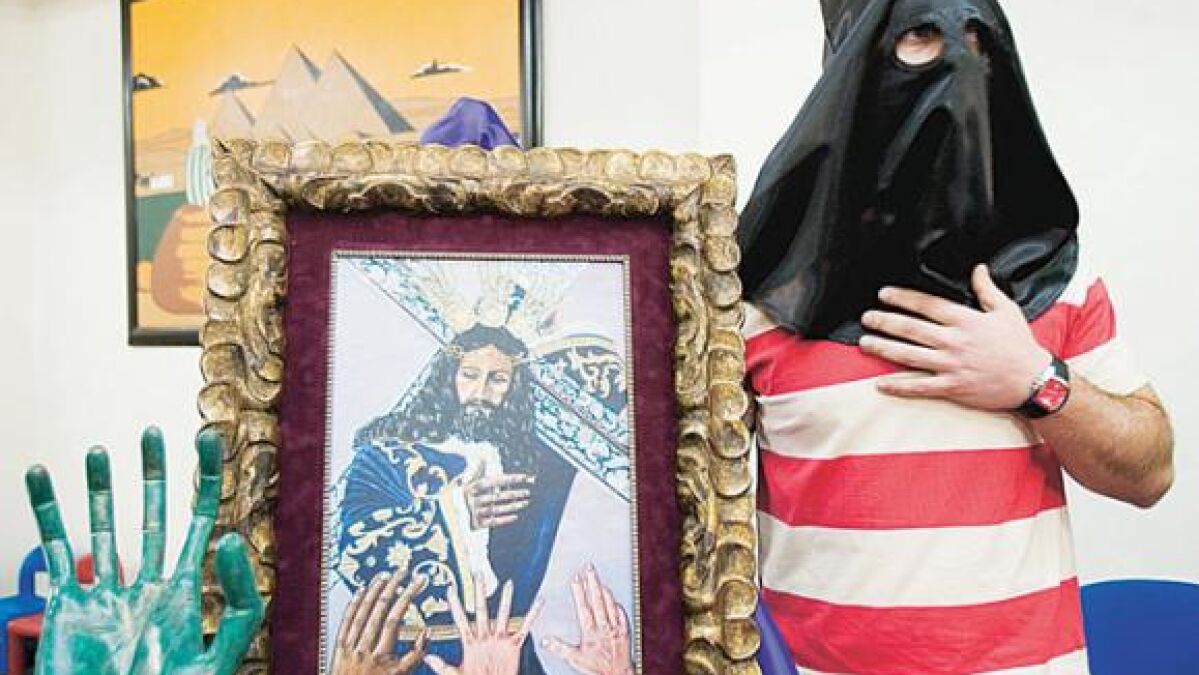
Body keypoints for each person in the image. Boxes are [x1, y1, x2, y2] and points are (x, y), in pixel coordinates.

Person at [737, 0, 1174, 673]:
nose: (958, 58)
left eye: (977, 35)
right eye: (920, 32)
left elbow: (1150, 473)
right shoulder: (761, 293)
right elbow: (680, 501)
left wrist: (1035, 381)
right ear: (855, 61)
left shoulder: (1052, 273)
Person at [336, 324, 576, 675]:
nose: (480, 392)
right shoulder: (386, 456)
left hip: (507, 657)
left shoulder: (536, 464)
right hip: (413, 654)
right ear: (448, 376)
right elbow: (354, 550)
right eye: (469, 375)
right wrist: (457, 514)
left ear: (515, 388)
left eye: (498, 380)